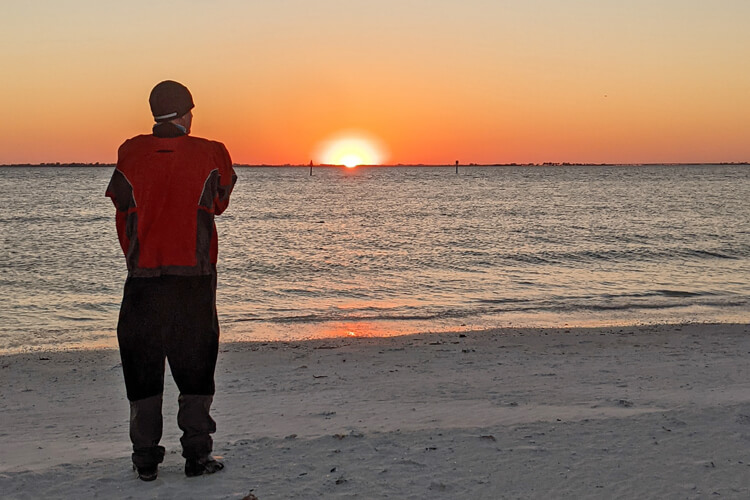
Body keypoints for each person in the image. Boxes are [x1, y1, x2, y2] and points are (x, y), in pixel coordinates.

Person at [106, 80, 237, 481]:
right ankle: (197, 456)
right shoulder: (211, 152)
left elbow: (121, 203)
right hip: (192, 279)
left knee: (141, 368)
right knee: (196, 369)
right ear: (184, 113)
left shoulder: (130, 152)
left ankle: (145, 459)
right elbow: (220, 201)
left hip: (143, 277)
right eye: (191, 111)